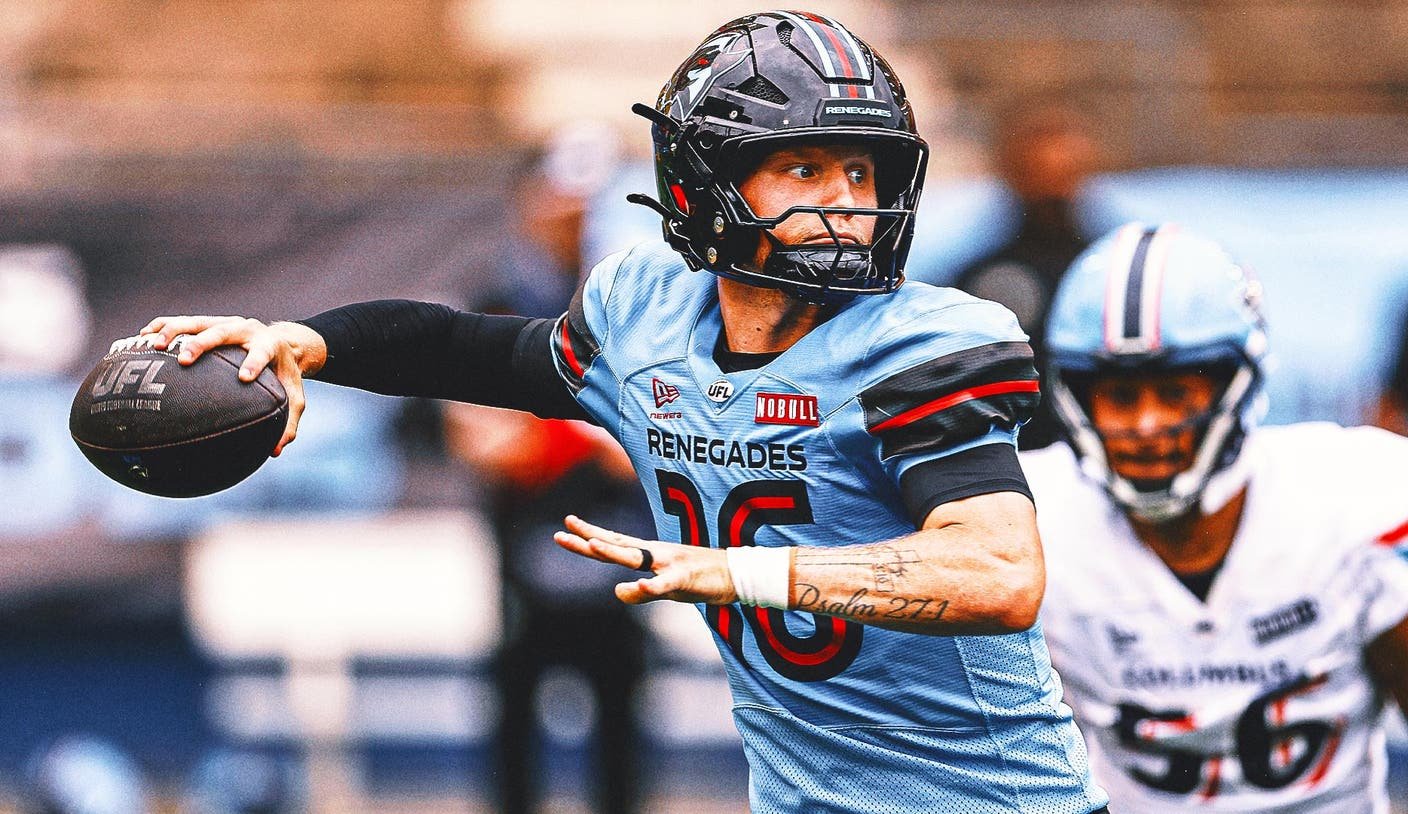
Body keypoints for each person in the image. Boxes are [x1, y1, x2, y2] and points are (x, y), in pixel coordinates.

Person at [137, 12, 1109, 813]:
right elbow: (472, 349)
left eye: (862, 171)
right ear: (706, 181)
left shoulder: (916, 345)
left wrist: (742, 572)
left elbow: (998, 571)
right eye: (807, 168)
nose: (848, 202)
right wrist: (308, 340)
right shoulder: (647, 320)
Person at [1026, 222, 1408, 812]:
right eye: (1121, 396)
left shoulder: (1356, 498)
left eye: (1174, 392)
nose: (1147, 425)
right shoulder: (1031, 515)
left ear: (1235, 386)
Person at [444, 137, 653, 814]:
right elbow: (483, 442)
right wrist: (587, 430)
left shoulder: (638, 311)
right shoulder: (494, 302)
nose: (576, 214)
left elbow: (654, 442)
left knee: (620, 747)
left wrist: (551, 429)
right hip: (522, 555)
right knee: (514, 745)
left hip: (618, 555)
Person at [952, 103, 1098, 449]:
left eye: (1064, 170)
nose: (1051, 180)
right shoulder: (980, 277)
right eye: (1037, 169)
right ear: (1010, 170)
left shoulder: (1109, 267)